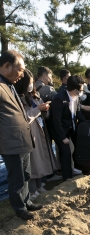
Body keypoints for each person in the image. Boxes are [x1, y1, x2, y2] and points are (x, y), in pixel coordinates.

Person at [0, 50, 42, 220]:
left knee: (25, 175)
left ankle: (26, 202)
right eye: (21, 69)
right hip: (11, 143)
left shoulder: (9, 85)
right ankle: (19, 208)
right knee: (16, 178)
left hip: (22, 140)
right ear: (7, 66)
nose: (22, 74)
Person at [14, 69, 58, 199]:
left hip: (40, 130)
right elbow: (23, 118)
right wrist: (38, 109)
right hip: (30, 133)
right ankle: (32, 191)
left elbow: (43, 114)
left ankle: (40, 185)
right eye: (30, 82)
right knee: (33, 161)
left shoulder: (35, 95)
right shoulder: (18, 98)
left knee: (42, 158)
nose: (32, 85)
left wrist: (44, 109)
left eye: (32, 82)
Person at [49, 75, 86, 181]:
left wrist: (87, 124)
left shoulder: (76, 98)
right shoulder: (59, 99)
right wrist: (62, 137)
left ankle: (77, 169)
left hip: (71, 127)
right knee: (65, 153)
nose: (82, 92)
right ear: (75, 90)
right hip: (60, 130)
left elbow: (78, 113)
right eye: (81, 89)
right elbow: (56, 121)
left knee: (77, 148)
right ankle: (67, 178)